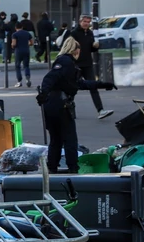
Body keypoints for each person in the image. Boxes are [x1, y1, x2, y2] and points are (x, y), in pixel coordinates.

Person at [39, 37, 117, 173]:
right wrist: (43, 93)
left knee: (56, 139)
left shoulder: (65, 62)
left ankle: (52, 167)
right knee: (69, 138)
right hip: (60, 104)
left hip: (52, 104)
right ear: (76, 50)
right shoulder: (66, 62)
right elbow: (50, 78)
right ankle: (72, 168)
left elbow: (81, 84)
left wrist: (103, 84)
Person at [71, 14, 113, 120]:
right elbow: (69, 47)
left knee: (93, 86)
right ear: (80, 22)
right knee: (72, 88)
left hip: (87, 64)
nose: (86, 24)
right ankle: (69, 110)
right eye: (85, 21)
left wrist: (95, 47)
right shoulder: (74, 33)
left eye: (88, 22)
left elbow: (91, 49)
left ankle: (100, 110)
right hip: (76, 64)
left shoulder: (89, 33)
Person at [11, 21, 33, 87]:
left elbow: (14, 44)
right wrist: (27, 44)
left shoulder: (15, 34)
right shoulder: (27, 33)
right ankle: (27, 77)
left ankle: (19, 81)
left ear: (15, 28)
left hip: (18, 51)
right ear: (22, 27)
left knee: (17, 66)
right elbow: (31, 43)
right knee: (26, 65)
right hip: (26, 50)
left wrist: (12, 45)